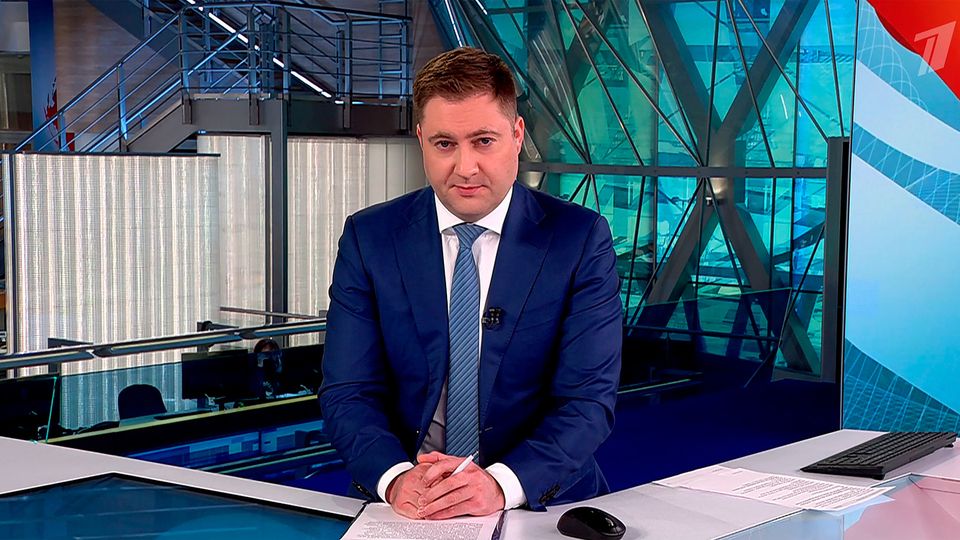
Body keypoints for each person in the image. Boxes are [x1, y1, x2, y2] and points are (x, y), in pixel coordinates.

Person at [319, 47, 622, 520]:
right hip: (410, 506)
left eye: (483, 141)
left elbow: (587, 402)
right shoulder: (370, 238)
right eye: (445, 144)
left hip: (540, 503)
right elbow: (348, 391)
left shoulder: (579, 240)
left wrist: (500, 485)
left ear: (517, 135)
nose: (465, 167)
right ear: (421, 139)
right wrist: (396, 479)